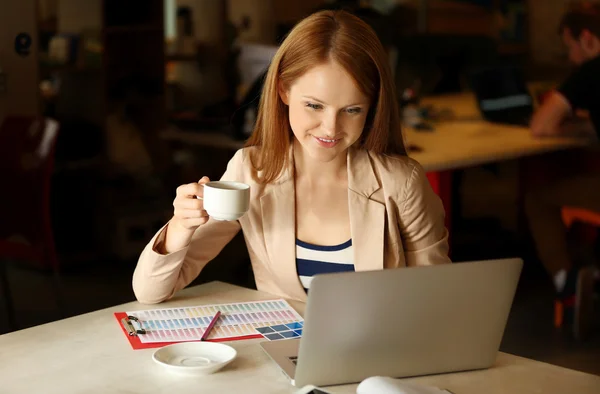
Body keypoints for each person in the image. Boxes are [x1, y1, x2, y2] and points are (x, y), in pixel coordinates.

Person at [133, 10, 450, 304]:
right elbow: (149, 293)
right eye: (314, 105)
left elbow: (436, 298)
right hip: (284, 354)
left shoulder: (400, 182)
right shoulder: (251, 170)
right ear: (283, 90)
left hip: (377, 357)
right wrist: (180, 226)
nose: (330, 128)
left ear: (372, 107)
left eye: (352, 110)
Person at [526, 1, 600, 339]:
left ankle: (565, 282)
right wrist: (582, 129)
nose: (570, 57)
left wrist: (563, 125)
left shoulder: (591, 71)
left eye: (569, 46)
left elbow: (541, 125)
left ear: (586, 38)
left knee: (538, 198)